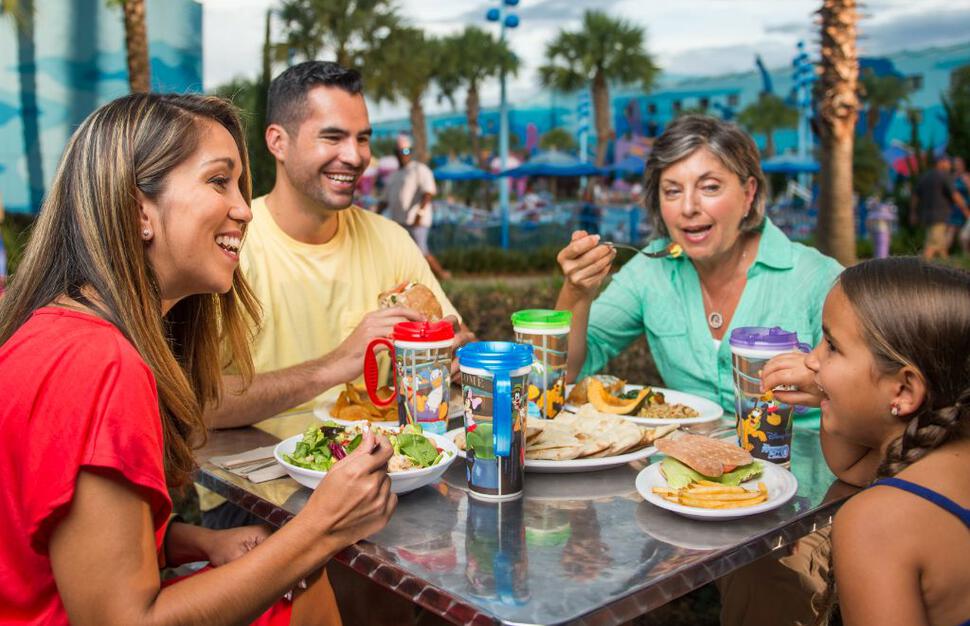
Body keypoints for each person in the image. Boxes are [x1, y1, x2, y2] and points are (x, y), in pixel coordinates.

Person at [0, 93, 396, 625]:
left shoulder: (54, 331)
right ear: (138, 210)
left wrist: (199, 542)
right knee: (303, 582)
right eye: (218, 181)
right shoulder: (101, 364)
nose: (243, 209)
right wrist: (320, 527)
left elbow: (61, 541)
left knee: (300, 583)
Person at [555, 114, 843, 626]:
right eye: (672, 190)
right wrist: (577, 293)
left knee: (767, 576)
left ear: (749, 192)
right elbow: (572, 365)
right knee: (565, 556)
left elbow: (883, 387)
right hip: (677, 483)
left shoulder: (815, 277)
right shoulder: (649, 270)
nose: (688, 208)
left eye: (709, 187)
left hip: (801, 496)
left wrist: (823, 378)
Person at [762, 257, 969, 625]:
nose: (811, 361)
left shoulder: (874, 523)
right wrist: (830, 391)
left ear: (904, 390)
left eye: (831, 345)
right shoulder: (943, 446)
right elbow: (854, 469)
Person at [382, 134, 451, 280]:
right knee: (400, 253)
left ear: (411, 152)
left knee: (421, 250)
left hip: (416, 221)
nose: (403, 155)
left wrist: (419, 213)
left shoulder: (419, 169)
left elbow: (428, 192)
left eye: (406, 152)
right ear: (395, 153)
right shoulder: (394, 176)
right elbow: (385, 201)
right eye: (400, 152)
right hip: (399, 222)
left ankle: (442, 275)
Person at [911, 155, 967, 260]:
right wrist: (965, 208)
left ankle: (947, 269)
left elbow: (915, 196)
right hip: (939, 216)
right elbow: (955, 196)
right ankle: (922, 268)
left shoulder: (925, 176)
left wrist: (913, 213)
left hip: (926, 216)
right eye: (948, 162)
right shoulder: (944, 176)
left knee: (941, 247)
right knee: (932, 244)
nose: (950, 165)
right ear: (941, 163)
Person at [945, 155, 970, 255]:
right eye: (955, 164)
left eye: (959, 164)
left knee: (964, 236)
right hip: (954, 210)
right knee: (950, 233)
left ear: (963, 165)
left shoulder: (966, 177)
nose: (957, 166)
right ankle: (943, 255)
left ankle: (966, 255)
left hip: (966, 208)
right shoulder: (952, 177)